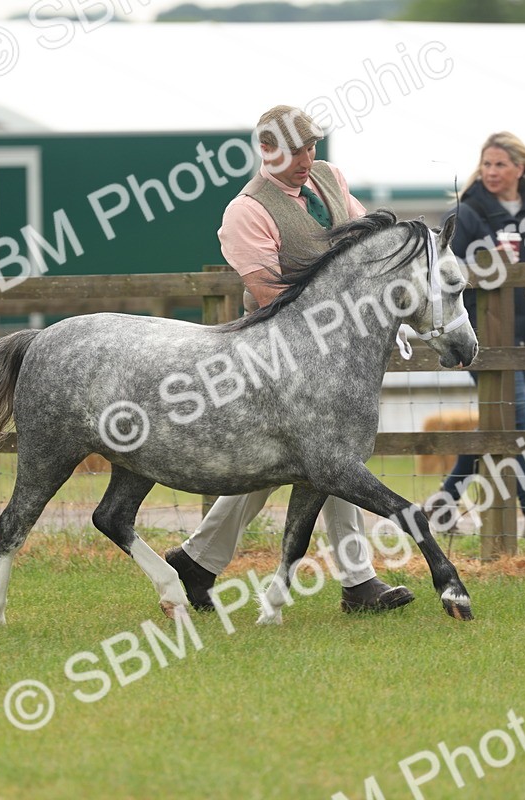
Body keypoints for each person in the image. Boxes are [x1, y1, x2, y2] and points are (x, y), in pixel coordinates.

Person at [164, 105, 415, 614]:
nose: (306, 158)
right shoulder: (246, 211)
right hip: (271, 352)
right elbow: (268, 294)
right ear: (266, 151)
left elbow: (367, 249)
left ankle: (197, 561)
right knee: (330, 461)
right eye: (294, 150)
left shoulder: (331, 179)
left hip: (332, 353)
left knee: (306, 463)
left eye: (310, 147)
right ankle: (359, 582)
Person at [428, 132, 525, 538]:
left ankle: (442, 505)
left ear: (519, 168)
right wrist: (486, 271)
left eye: (500, 165)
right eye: (487, 163)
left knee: (499, 419)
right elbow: (444, 265)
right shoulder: (468, 210)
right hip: (480, 331)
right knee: (516, 416)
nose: (491, 172)